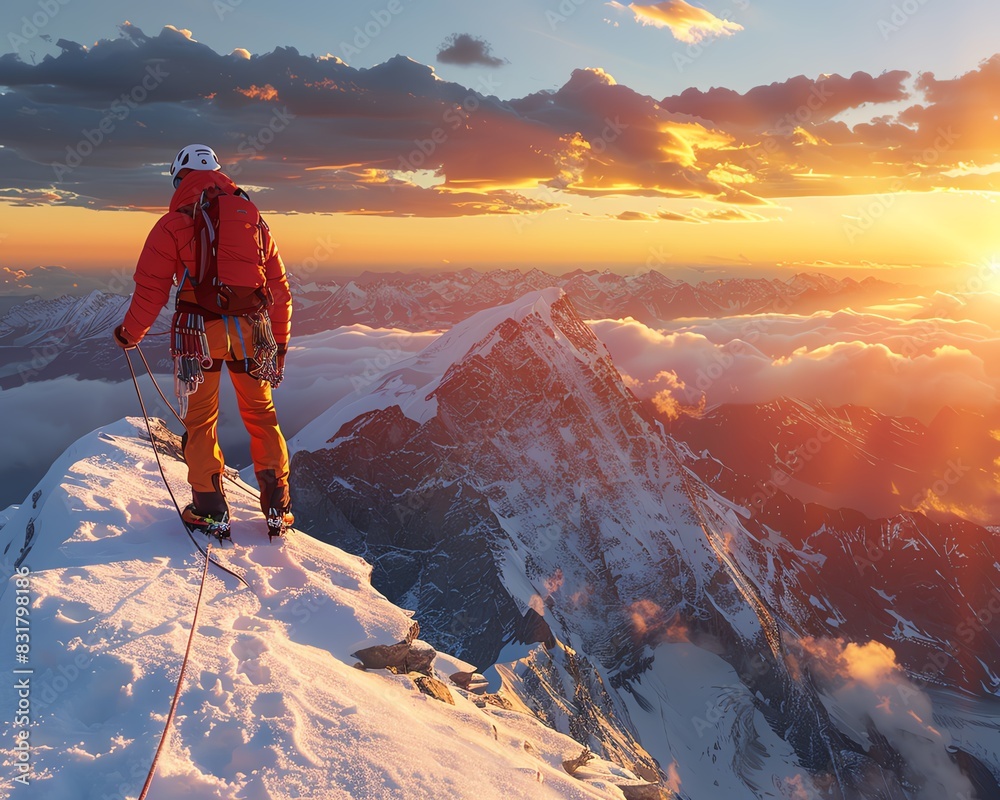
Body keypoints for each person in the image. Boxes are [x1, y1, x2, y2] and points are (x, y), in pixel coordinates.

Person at [113, 144, 293, 537]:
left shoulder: (175, 222)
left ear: (179, 179)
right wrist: (278, 344)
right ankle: (278, 506)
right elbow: (278, 288)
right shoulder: (254, 220)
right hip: (253, 333)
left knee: (200, 420)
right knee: (262, 416)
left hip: (200, 335)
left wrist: (131, 333)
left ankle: (210, 509)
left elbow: (152, 289)